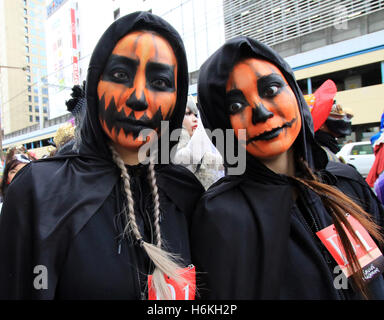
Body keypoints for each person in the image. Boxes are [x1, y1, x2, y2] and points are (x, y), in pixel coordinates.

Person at [0, 11, 204, 300]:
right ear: (95, 83)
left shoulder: (186, 193)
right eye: (121, 75)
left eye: (159, 82)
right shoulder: (40, 193)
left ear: (177, 97)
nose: (138, 97)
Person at [191, 36, 384, 299]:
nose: (261, 112)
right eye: (235, 106)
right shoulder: (221, 215)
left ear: (293, 91)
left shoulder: (346, 182)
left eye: (270, 90)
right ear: (220, 124)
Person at [173, 97, 224, 190]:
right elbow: (188, 155)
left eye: (196, 115)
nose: (195, 119)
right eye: (187, 114)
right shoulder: (172, 152)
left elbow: (225, 164)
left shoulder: (201, 152)